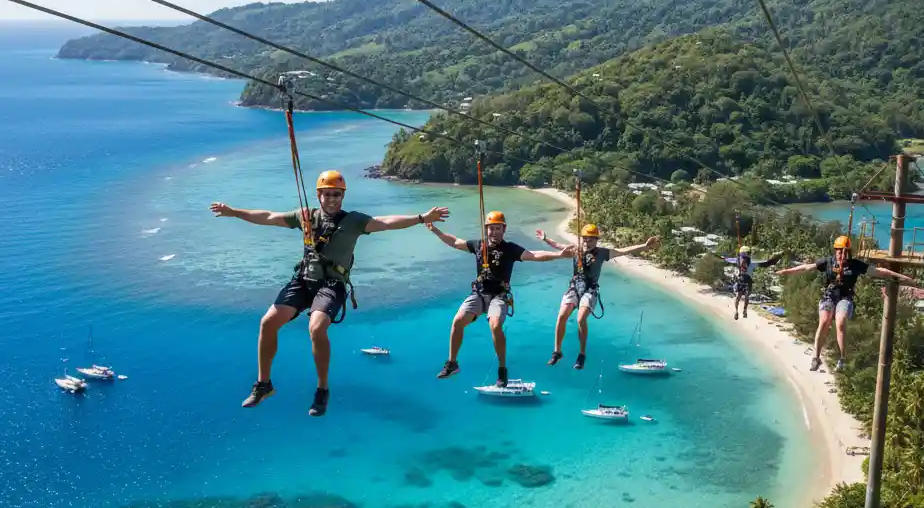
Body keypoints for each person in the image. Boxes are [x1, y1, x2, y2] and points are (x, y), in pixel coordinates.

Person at [211, 170, 449, 417]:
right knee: (268, 322)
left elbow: (386, 222)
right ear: (319, 195)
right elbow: (269, 217)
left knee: (316, 328)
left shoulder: (353, 221)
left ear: (343, 196)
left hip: (332, 284)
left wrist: (422, 217)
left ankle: (322, 390)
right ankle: (263, 385)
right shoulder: (305, 216)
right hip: (304, 279)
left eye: (337, 194)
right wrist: (234, 212)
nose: (332, 199)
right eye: (327, 194)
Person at [428, 210, 570, 386]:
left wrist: (559, 255)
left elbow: (534, 255)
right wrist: (435, 230)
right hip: (479, 294)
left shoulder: (510, 249)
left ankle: (502, 370)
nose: (493, 232)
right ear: (486, 230)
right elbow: (455, 242)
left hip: (499, 297)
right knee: (457, 321)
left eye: (497, 228)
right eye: (490, 228)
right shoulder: (479, 245)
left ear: (504, 229)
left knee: (495, 325)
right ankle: (452, 363)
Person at [777, 234, 917, 372]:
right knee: (824, 321)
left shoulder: (855, 265)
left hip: (845, 297)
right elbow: (806, 267)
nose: (842, 254)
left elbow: (880, 272)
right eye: (839, 251)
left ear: (848, 252)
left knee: (840, 322)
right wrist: (786, 271)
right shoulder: (828, 262)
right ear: (835, 251)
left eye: (845, 251)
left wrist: (903, 278)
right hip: (829, 296)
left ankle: (842, 358)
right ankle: (816, 357)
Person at [536, 224, 660, 369]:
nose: (586, 242)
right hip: (575, 286)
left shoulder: (602, 253)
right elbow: (558, 246)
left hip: (590, 288)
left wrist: (644, 246)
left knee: (581, 318)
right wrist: (545, 239)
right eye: (585, 239)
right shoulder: (576, 250)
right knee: (562, 315)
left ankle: (581, 354)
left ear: (596, 240)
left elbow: (622, 251)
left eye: (590, 240)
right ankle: (557, 352)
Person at [720, 245, 784, 320]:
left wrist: (723, 258)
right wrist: (776, 258)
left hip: (743, 280)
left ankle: (740, 311)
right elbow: (766, 264)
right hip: (745, 281)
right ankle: (740, 311)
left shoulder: (742, 260)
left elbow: (728, 259)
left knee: (741, 297)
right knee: (743, 297)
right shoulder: (746, 261)